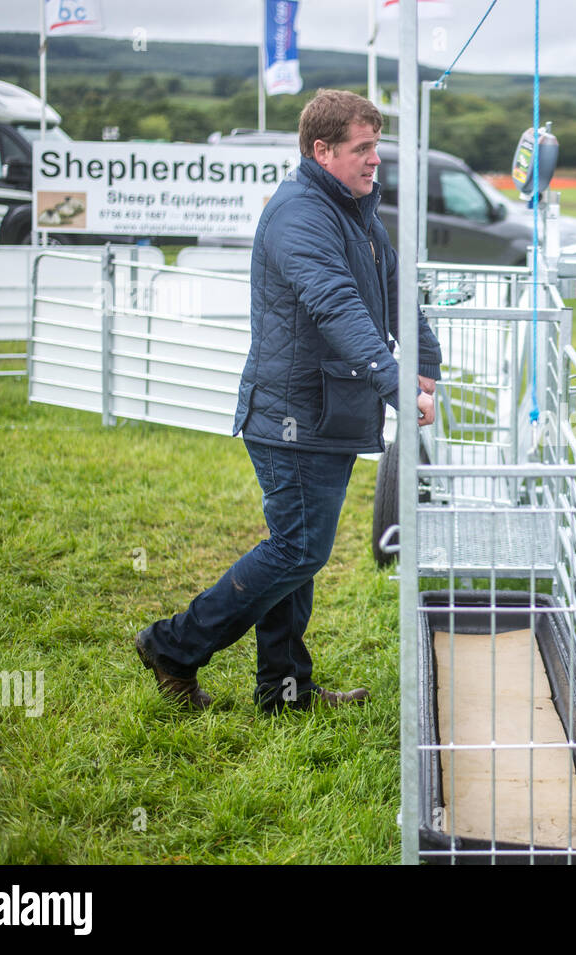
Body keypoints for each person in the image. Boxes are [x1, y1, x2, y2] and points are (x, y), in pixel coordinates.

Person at [135, 89, 441, 712]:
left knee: (296, 551)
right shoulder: (300, 214)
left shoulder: (355, 207)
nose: (374, 159)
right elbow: (336, 304)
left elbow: (391, 290)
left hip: (326, 409)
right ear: (320, 149)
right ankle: (173, 645)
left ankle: (283, 690)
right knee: (298, 548)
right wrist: (395, 382)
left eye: (377, 146)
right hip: (292, 415)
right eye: (362, 148)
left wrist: (426, 360)